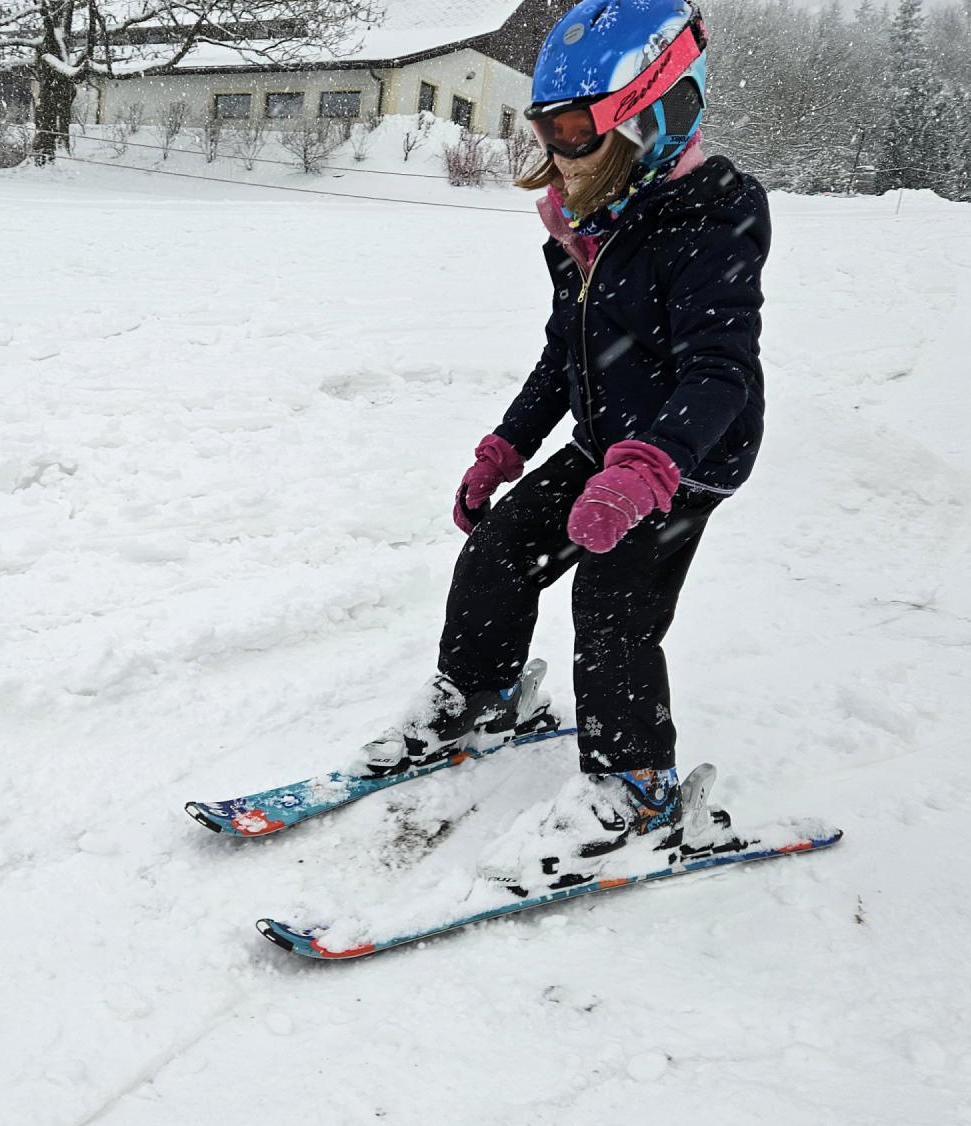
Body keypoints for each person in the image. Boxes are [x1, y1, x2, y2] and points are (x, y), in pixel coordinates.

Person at [358, 0, 771, 895]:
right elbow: (566, 353)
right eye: (544, 126)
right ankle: (482, 693)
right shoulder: (587, 219)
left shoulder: (715, 216)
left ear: (655, 113)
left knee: (614, 596)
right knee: (502, 547)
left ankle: (637, 784)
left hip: (686, 452)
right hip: (606, 441)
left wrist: (647, 467)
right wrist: (506, 446)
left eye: (576, 128)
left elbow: (719, 371)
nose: (556, 148)